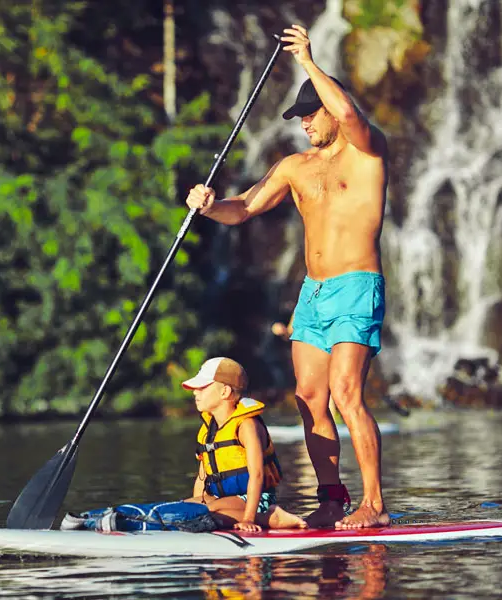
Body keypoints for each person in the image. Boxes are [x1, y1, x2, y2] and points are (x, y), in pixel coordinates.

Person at [185, 24, 390, 529]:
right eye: (298, 117)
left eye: (308, 113)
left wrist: (306, 61)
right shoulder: (294, 167)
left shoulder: (368, 152)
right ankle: (333, 498)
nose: (304, 123)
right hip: (313, 294)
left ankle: (375, 504)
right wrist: (209, 207)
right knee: (310, 398)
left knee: (346, 394)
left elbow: (346, 113)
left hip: (356, 285)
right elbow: (245, 207)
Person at [183, 356, 307, 532]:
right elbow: (202, 476)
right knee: (182, 509)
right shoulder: (207, 430)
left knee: (206, 512)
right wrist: (196, 507)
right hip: (221, 499)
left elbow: (256, 475)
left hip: (255, 499)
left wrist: (249, 519)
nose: (195, 392)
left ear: (224, 392)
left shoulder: (247, 426)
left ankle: (271, 517)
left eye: (202, 388)